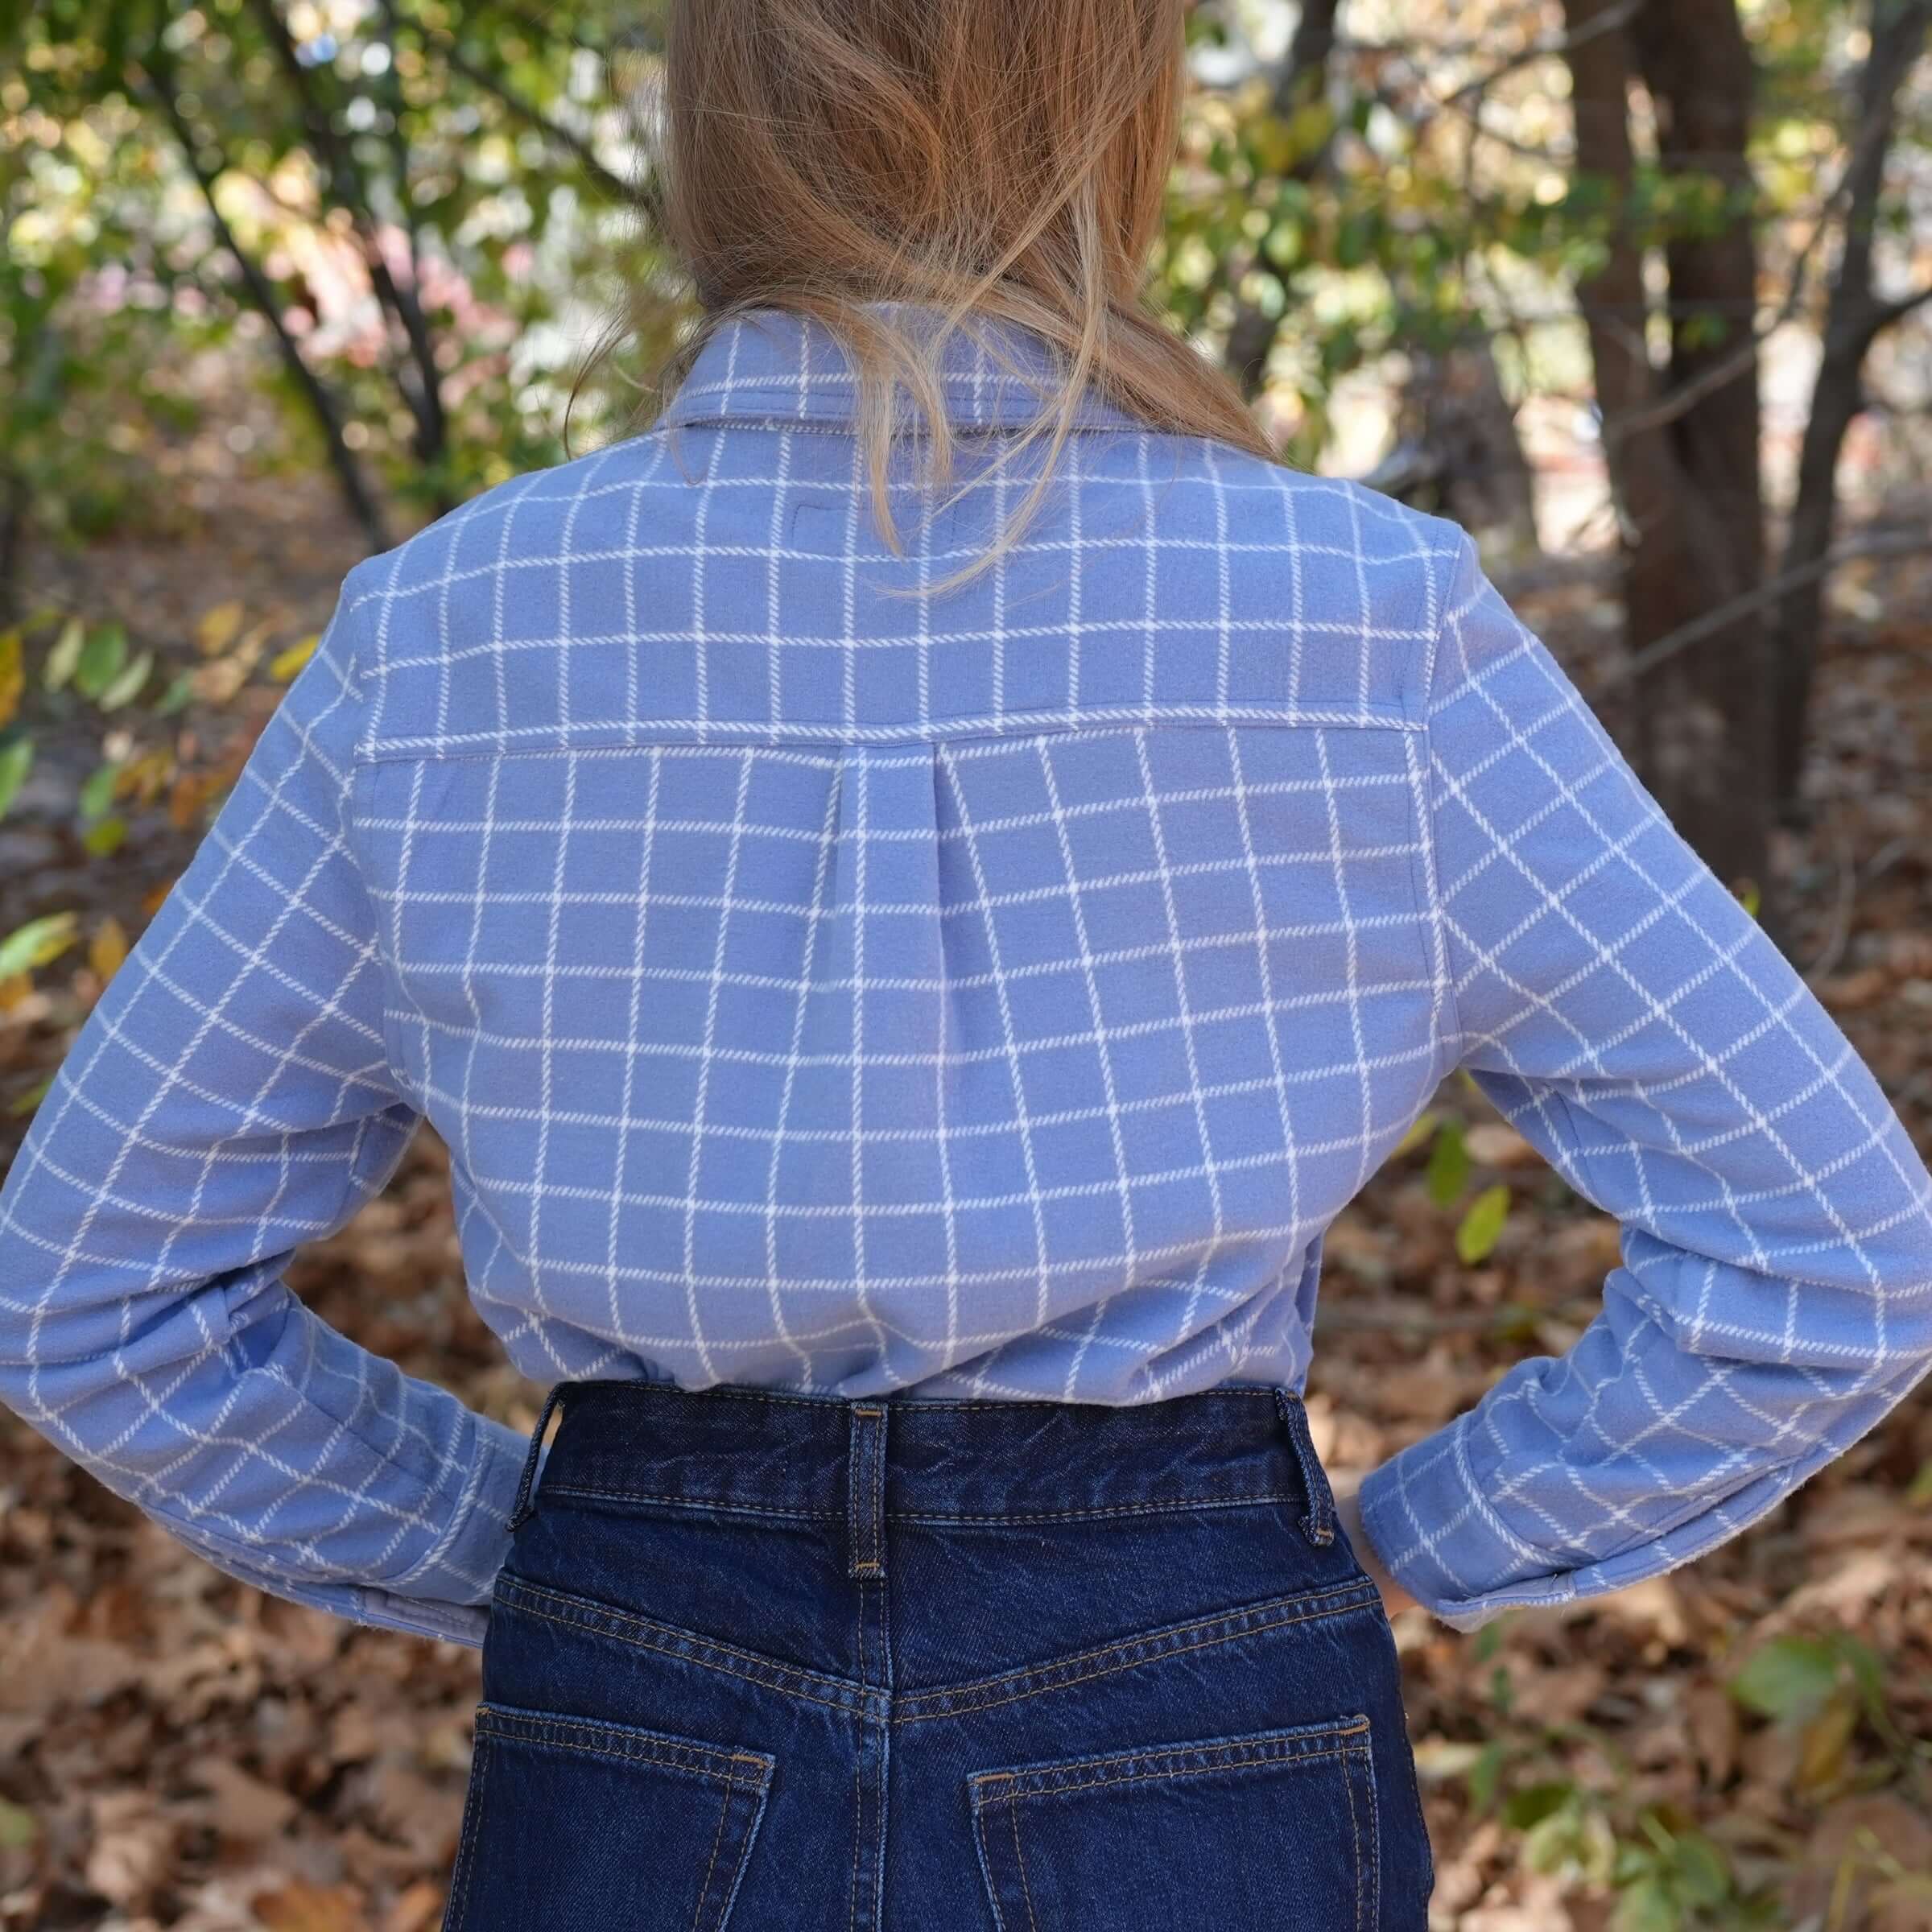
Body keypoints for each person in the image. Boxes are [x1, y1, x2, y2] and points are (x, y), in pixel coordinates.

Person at [3, 2, 1930, 1926]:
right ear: (1120, 99)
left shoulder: (442, 646)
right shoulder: (1361, 631)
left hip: (635, 1691)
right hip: (1196, 1684)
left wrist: (532, 1549)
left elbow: (89, 1289)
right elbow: (1830, 1260)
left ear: (713, 104)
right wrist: (1396, 1545)